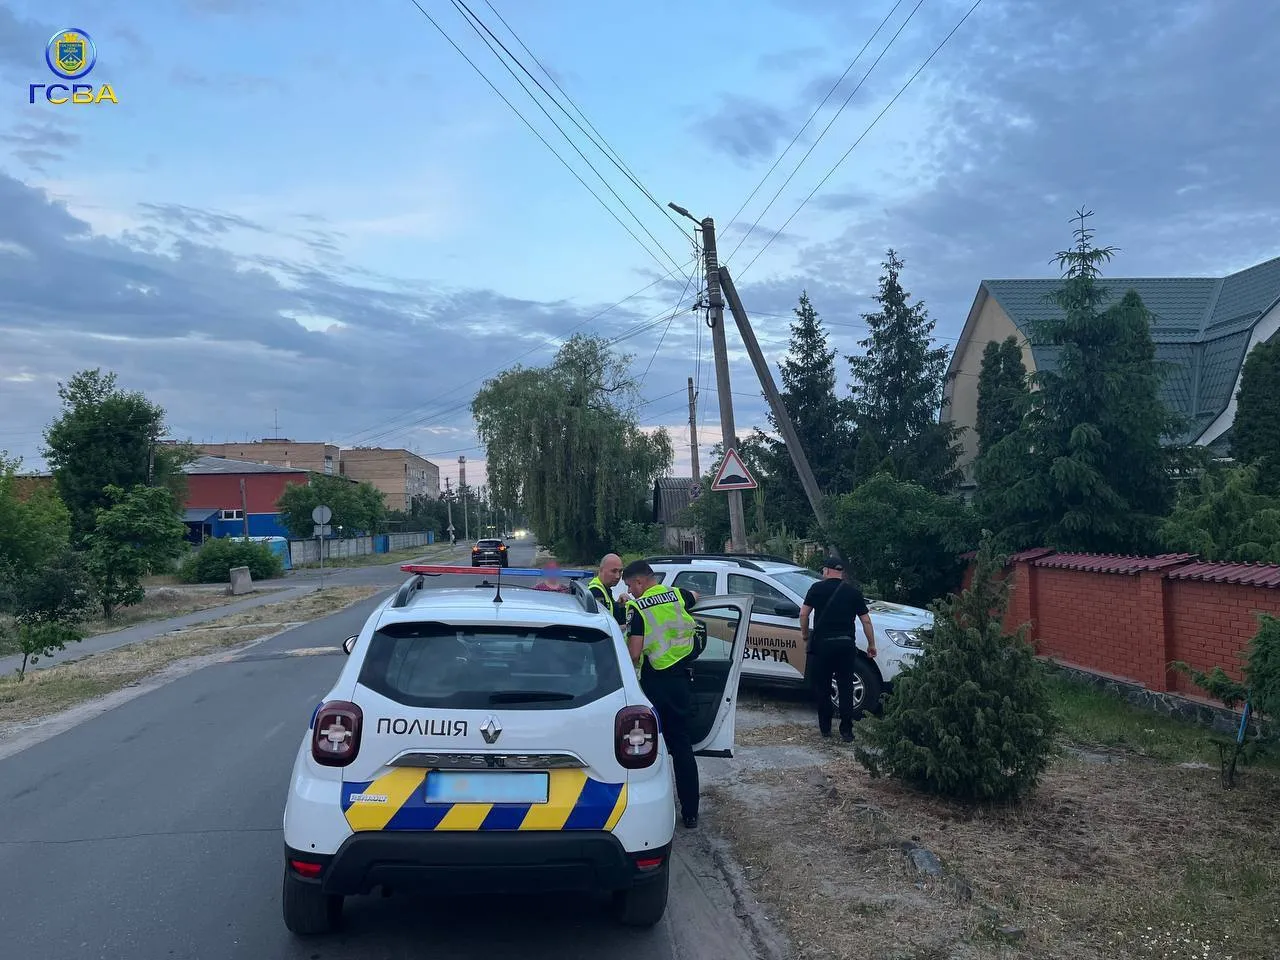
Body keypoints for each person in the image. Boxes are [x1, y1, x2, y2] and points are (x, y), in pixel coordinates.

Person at [621, 559, 702, 828]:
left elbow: (634, 653)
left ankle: (649, 808)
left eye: (630, 586)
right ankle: (690, 812)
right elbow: (696, 596)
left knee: (648, 745)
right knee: (682, 746)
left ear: (640, 581)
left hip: (656, 682)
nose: (630, 592)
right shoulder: (676, 594)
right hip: (682, 679)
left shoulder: (637, 607)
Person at [798, 556, 876, 742]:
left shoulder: (816, 589)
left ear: (826, 571)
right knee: (846, 687)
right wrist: (871, 644)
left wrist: (805, 635)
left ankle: (825, 728)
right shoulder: (853, 592)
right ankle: (846, 731)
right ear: (841, 572)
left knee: (823, 687)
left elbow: (803, 613)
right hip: (846, 645)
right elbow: (866, 620)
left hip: (822, 646)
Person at [586, 553, 628, 626]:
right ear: (601, 570)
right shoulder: (596, 591)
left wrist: (619, 605)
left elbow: (609, 612)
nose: (618, 576)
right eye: (613, 571)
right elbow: (600, 625)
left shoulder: (605, 588)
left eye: (620, 571)